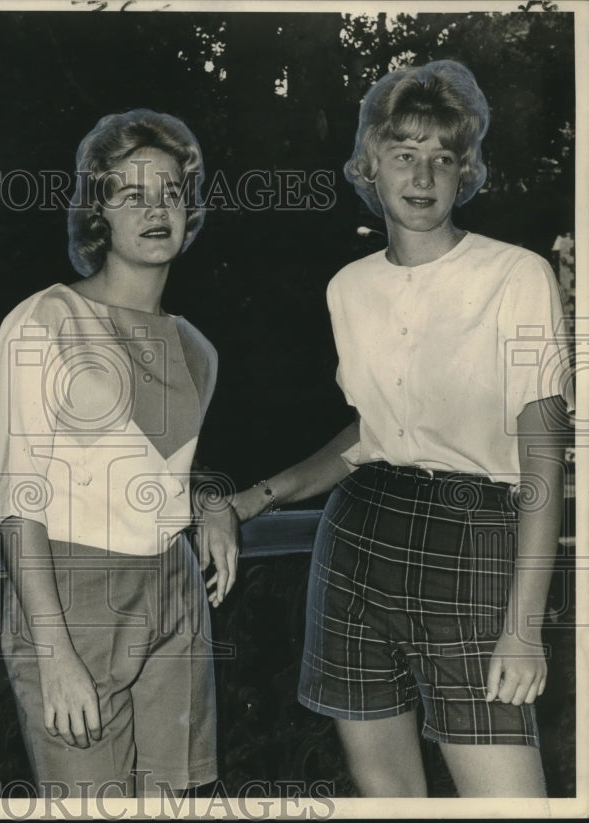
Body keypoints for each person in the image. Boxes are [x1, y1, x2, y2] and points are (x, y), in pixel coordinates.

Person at [232, 60, 571, 797]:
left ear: (464, 170)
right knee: (389, 798)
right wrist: (253, 499)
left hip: (476, 534)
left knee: (512, 804)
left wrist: (522, 624)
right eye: (403, 154)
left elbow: (545, 454)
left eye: (442, 157)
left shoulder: (516, 277)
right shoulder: (348, 287)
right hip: (358, 539)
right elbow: (368, 436)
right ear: (369, 165)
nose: (423, 175)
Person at [0, 109, 238, 797]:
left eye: (171, 194)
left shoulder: (198, 348)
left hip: (176, 589)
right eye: (131, 194)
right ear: (98, 213)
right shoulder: (46, 320)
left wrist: (211, 500)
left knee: (181, 803)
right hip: (71, 599)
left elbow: (148, 466)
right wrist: (53, 650)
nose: (156, 210)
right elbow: (18, 498)